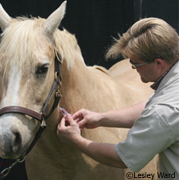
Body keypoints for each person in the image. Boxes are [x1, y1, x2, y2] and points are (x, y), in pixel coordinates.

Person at [57, 17, 179, 178]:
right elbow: (151, 108)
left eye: (136, 65)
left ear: (158, 63)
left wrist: (76, 140)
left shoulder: (164, 111)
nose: (133, 69)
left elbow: (122, 158)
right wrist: (100, 118)